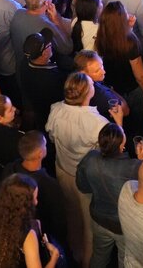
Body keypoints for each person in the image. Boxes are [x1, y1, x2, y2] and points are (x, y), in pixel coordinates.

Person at [47, 72, 117, 266]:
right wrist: (118, 122)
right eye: (92, 84)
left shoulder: (55, 110)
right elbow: (109, 151)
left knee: (71, 214)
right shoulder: (98, 123)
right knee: (88, 224)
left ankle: (74, 251)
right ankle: (87, 261)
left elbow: (51, 137)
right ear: (88, 93)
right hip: (85, 180)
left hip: (63, 170)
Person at [76, 123, 143, 268]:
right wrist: (141, 160)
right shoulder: (134, 166)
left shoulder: (90, 158)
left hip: (99, 219)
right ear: (121, 145)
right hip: (124, 225)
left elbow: (82, 186)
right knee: (124, 260)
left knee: (99, 256)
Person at [0, 174, 61, 268]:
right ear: (24, 203)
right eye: (34, 198)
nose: (36, 202)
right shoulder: (27, 235)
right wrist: (54, 257)